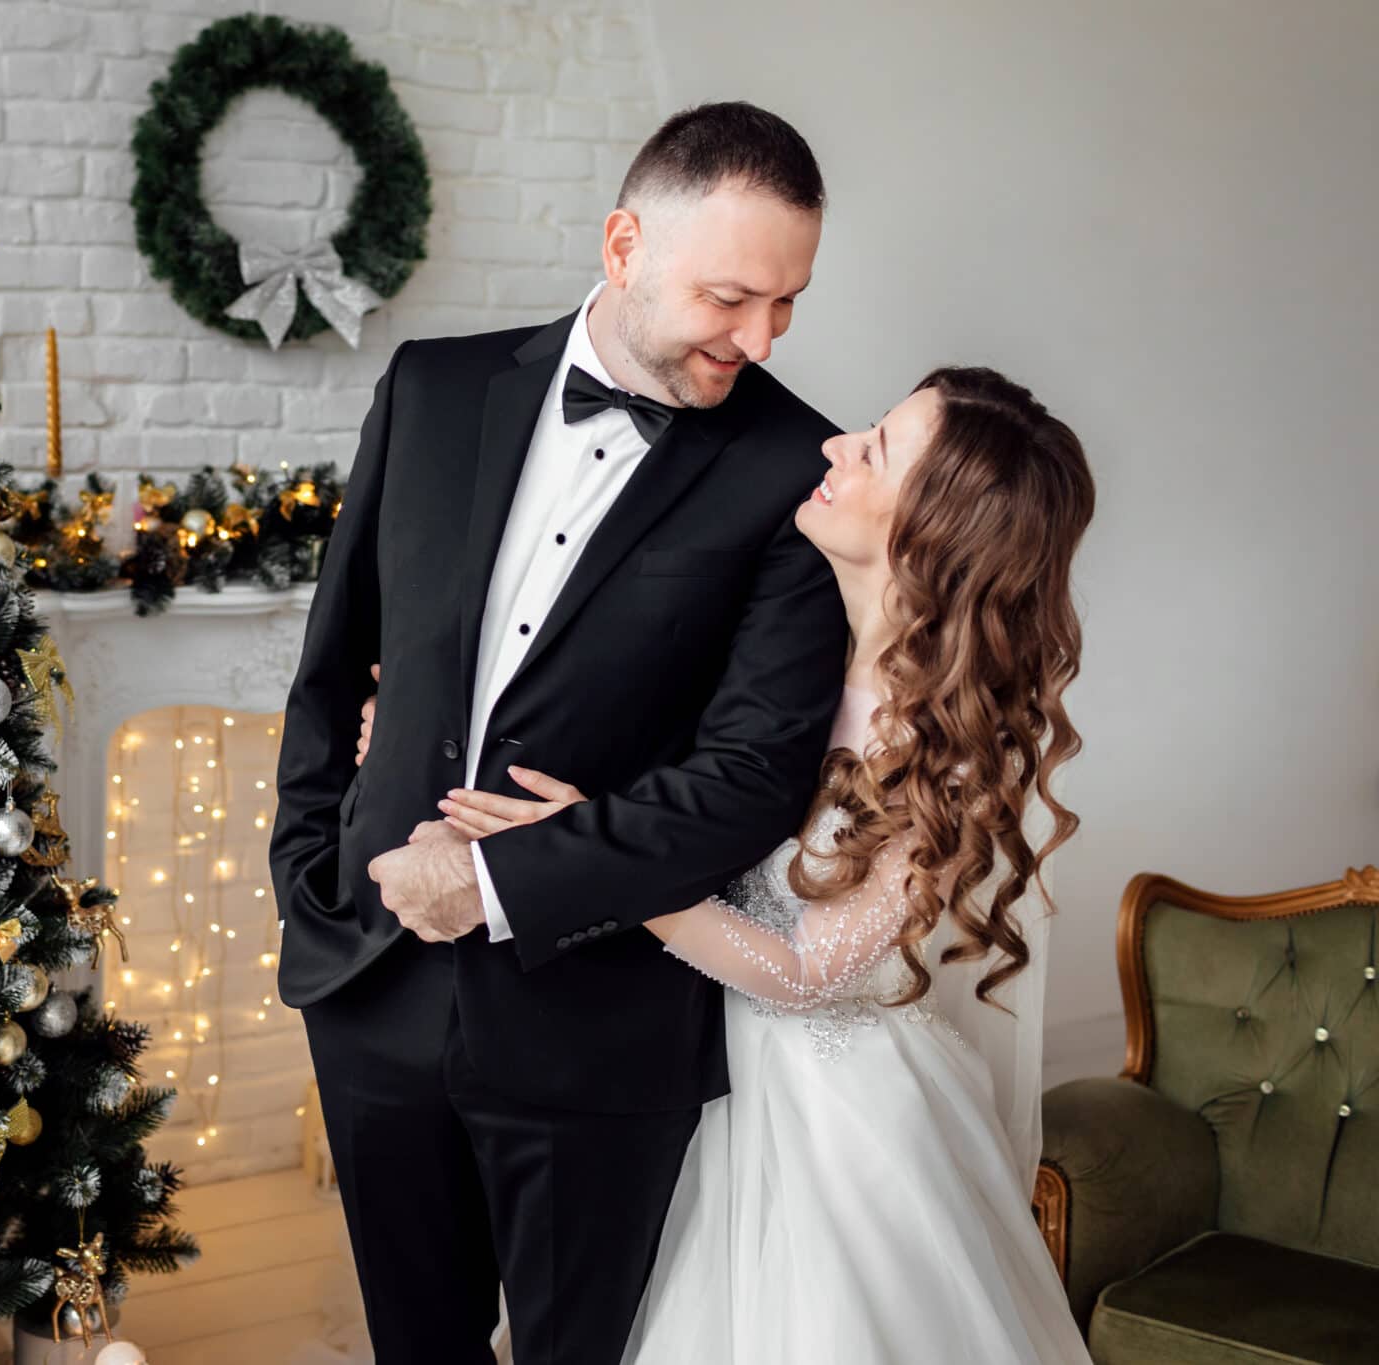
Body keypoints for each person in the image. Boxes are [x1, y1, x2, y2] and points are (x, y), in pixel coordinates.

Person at [269, 102, 846, 1363]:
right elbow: (329, 672)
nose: (759, 338)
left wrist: (493, 879)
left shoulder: (795, 466)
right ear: (624, 242)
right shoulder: (433, 385)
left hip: (601, 1027)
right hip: (367, 986)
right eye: (730, 297)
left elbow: (751, 779)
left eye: (786, 303)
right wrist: (303, 884)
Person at [413, 367, 1098, 1363]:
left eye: (871, 452)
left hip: (832, 1123)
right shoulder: (782, 640)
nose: (830, 449)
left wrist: (593, 859)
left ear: (934, 529)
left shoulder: (942, 739)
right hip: (687, 1064)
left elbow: (805, 972)